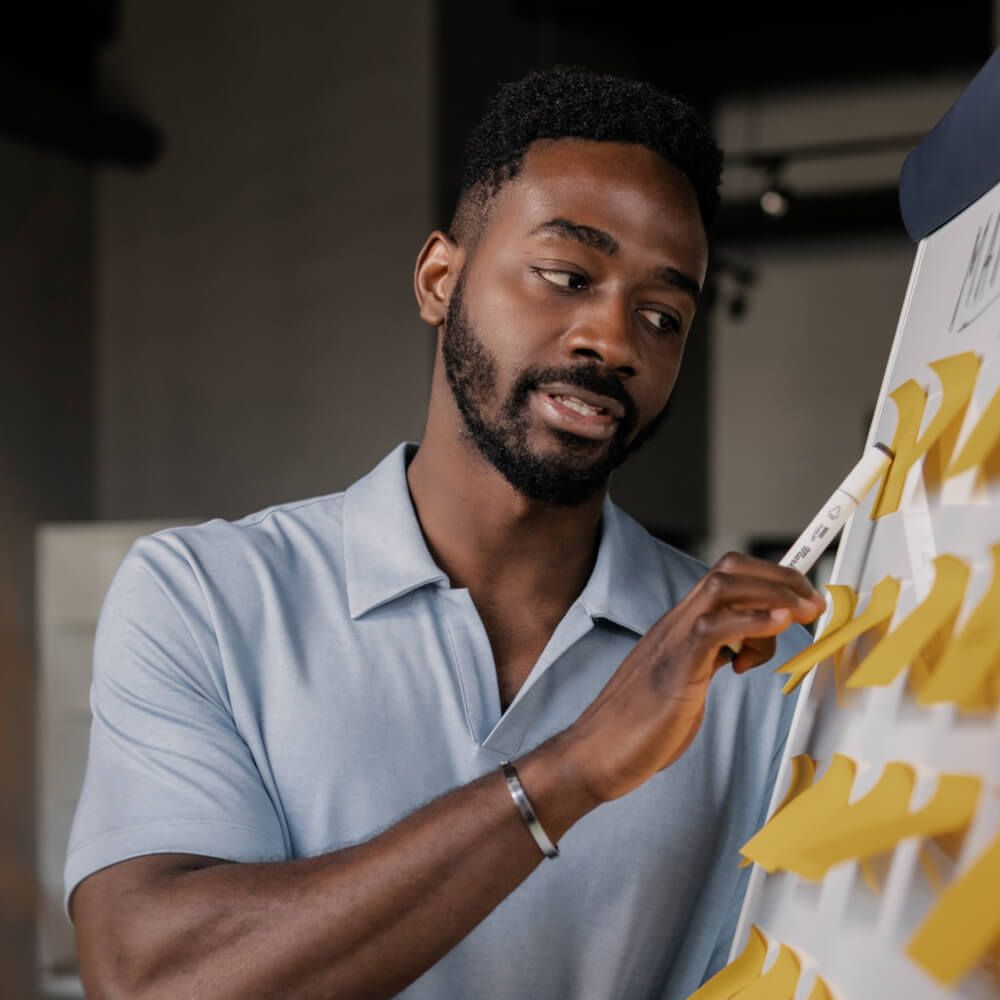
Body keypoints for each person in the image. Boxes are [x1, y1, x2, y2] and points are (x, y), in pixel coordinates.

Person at [67, 66, 823, 999]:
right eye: (566, 275)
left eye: (662, 316)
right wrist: (574, 769)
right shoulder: (204, 597)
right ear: (438, 278)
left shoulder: (764, 671)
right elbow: (149, 980)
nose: (614, 340)